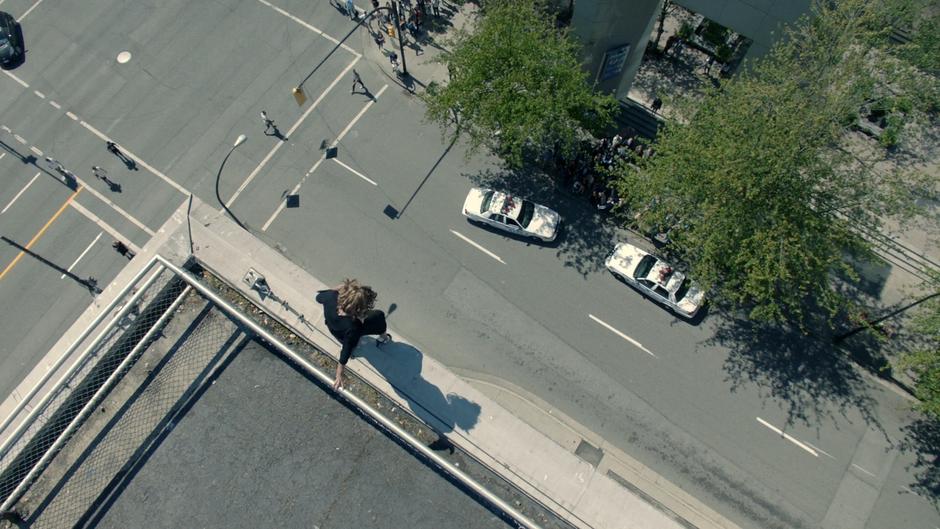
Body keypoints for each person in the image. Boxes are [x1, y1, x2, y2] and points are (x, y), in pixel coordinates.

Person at [316, 279, 390, 390]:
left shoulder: (330, 297)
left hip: (334, 329)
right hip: (348, 332)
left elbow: (319, 297)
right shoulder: (354, 327)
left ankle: (354, 346)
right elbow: (345, 351)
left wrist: (338, 289)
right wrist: (339, 374)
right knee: (379, 316)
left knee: (348, 341)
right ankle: (384, 337)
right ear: (359, 308)